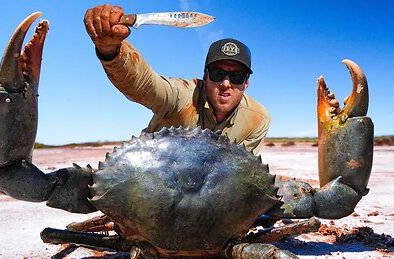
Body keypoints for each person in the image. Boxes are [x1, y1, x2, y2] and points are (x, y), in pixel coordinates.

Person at [84, 4, 270, 154]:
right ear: (205, 77)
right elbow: (143, 85)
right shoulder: (182, 97)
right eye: (218, 74)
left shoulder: (257, 119)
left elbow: (242, 173)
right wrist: (111, 50)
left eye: (236, 76)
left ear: (246, 82)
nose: (226, 83)